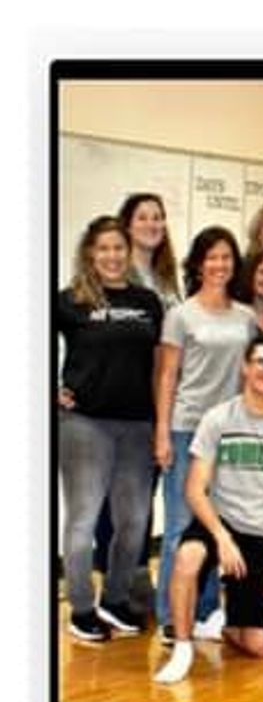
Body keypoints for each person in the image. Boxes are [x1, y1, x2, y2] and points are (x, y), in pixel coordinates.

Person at [153, 328, 263, 685]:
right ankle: (182, 647)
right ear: (245, 367)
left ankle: (227, 621)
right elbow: (195, 489)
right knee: (188, 556)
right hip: (221, 522)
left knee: (259, 648)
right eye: (261, 362)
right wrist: (222, 537)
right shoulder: (218, 418)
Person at [57, 216, 163, 645]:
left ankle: (116, 600)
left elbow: (158, 366)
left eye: (119, 248)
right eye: (103, 249)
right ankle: (81, 608)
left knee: (134, 520)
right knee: (83, 519)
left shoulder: (148, 301)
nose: (113, 256)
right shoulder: (69, 301)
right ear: (90, 253)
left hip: (138, 423)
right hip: (85, 423)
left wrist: (160, 419)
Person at [152, 224, 256, 635]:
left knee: (217, 524)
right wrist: (162, 431)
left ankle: (207, 610)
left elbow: (250, 379)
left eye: (226, 258)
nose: (219, 265)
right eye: (211, 257)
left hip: (228, 435)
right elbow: (167, 377)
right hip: (186, 428)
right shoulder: (180, 315)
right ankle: (170, 618)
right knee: (180, 525)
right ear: (197, 264)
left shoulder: (245, 317)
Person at [119, 192, 181, 304]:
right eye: (142, 218)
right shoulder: (119, 274)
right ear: (128, 227)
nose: (151, 225)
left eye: (157, 218)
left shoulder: (166, 275)